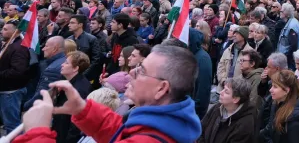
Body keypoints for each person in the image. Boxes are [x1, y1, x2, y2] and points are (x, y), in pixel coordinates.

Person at [16, 44, 202, 143]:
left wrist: (36, 133)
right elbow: (122, 136)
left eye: (141, 71)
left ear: (162, 88)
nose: (131, 72)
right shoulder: (167, 124)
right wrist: (83, 109)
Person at [199, 77, 257, 143]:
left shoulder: (245, 124)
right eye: (223, 89)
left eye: (226, 91)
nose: (221, 92)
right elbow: (201, 128)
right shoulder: (217, 107)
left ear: (236, 99)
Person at [259, 70, 299, 143]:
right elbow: (269, 131)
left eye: (275, 87)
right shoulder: (277, 104)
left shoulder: (295, 119)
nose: (270, 90)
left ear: (286, 90)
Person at [53, 51, 92, 143]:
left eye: (66, 63)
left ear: (75, 68)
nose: (62, 64)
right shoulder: (68, 82)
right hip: (60, 129)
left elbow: (76, 123)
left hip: (66, 135)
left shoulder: (79, 89)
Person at [0, 20, 31, 133]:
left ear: (16, 32)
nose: (2, 31)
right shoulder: (9, 44)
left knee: (12, 124)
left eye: (5, 29)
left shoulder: (19, 48)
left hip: (11, 92)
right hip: (5, 90)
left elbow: (18, 71)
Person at [25, 36, 66, 109]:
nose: (43, 49)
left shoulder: (52, 69)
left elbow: (42, 94)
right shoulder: (64, 61)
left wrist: (25, 106)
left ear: (55, 49)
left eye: (46, 46)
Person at [67, 14, 102, 82]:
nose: (69, 25)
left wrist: (84, 73)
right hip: (71, 73)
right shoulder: (68, 39)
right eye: (69, 23)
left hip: (86, 75)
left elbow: (96, 59)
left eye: (72, 23)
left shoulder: (91, 39)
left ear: (80, 24)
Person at [189, 28, 212, 120]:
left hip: (194, 109)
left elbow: (204, 87)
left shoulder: (203, 58)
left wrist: (197, 108)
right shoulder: (190, 54)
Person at [278, 3, 299, 70]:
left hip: (290, 59)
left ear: (286, 13)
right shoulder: (290, 22)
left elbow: (293, 45)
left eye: (282, 11)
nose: (280, 12)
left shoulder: (292, 26)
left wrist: (287, 57)